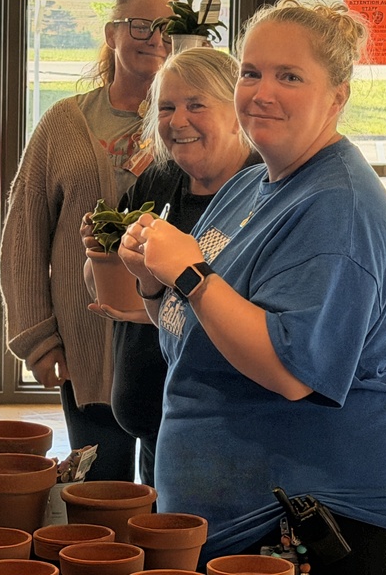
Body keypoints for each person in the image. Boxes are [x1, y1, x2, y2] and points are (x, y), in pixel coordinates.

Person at [119, 0, 386, 573]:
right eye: (251, 72)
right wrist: (154, 285)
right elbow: (201, 329)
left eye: (290, 77)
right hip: (246, 498)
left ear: (338, 95)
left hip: (339, 502)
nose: (262, 92)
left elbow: (291, 370)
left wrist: (188, 273)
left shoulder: (339, 207)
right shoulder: (252, 185)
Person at [0, 0, 179, 481]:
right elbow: (24, 236)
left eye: (168, 27)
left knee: (172, 495)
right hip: (87, 344)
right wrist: (37, 337)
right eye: (139, 25)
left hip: (172, 344)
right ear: (111, 33)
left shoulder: (192, 127)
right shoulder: (65, 122)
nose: (154, 37)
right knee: (101, 492)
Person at [81, 47, 258, 486]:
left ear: (237, 111)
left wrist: (149, 303)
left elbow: (257, 320)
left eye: (196, 105)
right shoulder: (160, 178)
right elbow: (101, 281)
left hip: (225, 435)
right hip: (154, 424)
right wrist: (98, 255)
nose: (178, 121)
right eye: (167, 107)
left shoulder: (262, 190)